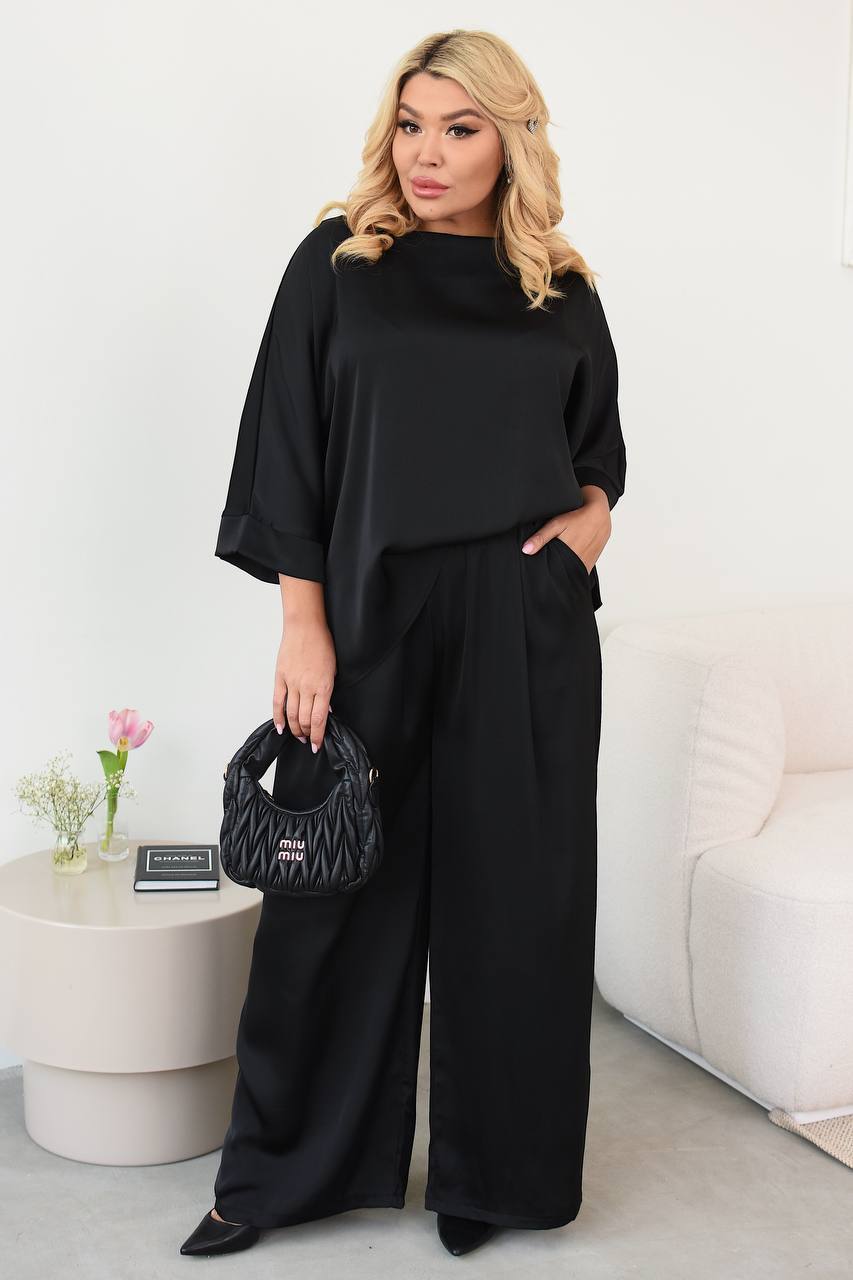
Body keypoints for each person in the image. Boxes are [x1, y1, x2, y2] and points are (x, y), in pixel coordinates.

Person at [181, 27, 626, 1261]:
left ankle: (498, 1177)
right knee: (328, 899)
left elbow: (597, 453)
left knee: (518, 904)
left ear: (511, 142)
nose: (428, 153)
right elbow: (286, 448)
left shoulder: (559, 289)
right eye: (414, 124)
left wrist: (589, 525)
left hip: (523, 619)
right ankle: (277, 1176)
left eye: (461, 129)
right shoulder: (339, 263)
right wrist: (302, 621)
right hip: (366, 613)